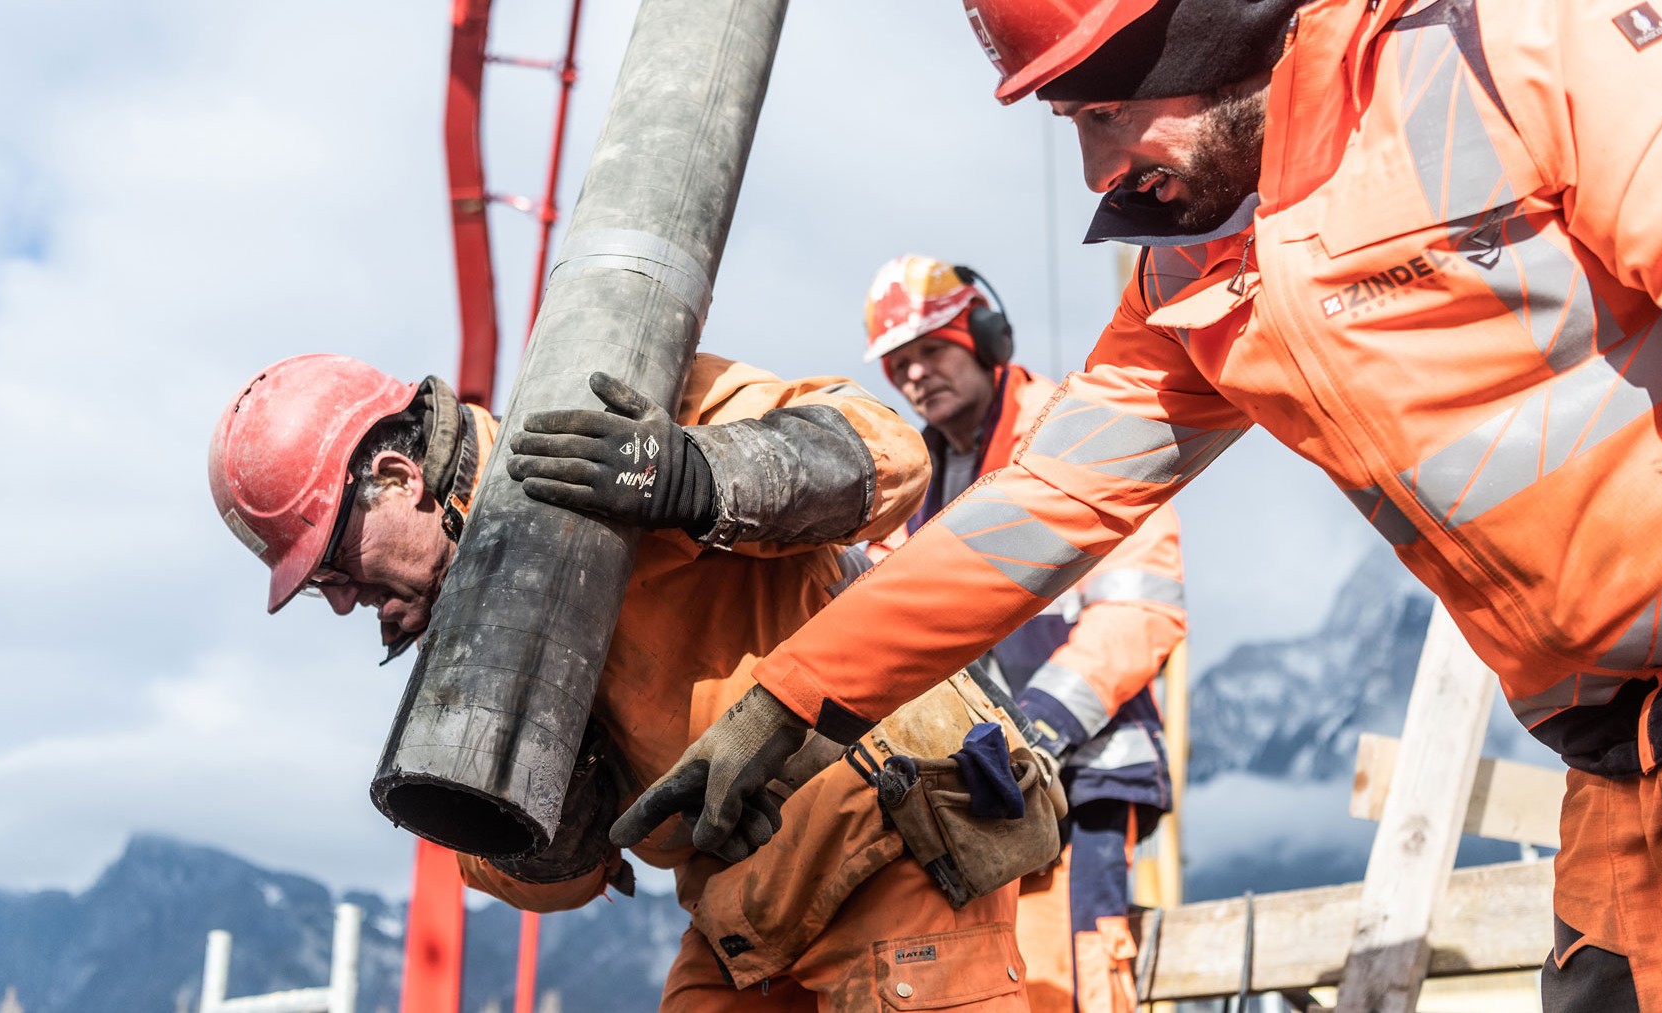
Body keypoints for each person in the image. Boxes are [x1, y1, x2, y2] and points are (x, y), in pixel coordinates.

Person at [613, 2, 1662, 1010]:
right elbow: (1044, 506)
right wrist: (793, 701)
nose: (1094, 168)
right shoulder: (1204, 269)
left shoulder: (1519, 50)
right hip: (1624, 780)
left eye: (1100, 111)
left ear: (1207, 23)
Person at [208, 352, 1043, 1011]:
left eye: (335, 565)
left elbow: (888, 453)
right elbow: (562, 879)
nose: (347, 602)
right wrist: (530, 788)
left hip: (894, 837)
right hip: (749, 910)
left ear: (397, 478)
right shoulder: (465, 631)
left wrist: (695, 473)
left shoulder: (619, 402)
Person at [861, 254, 1187, 1013]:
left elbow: (1142, 608)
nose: (914, 376)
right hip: (981, 796)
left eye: (931, 350)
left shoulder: (1078, 438)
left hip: (1083, 771)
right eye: (898, 363)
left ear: (984, 335)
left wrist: (1037, 729)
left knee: (1076, 979)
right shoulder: (911, 488)